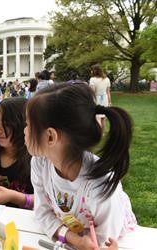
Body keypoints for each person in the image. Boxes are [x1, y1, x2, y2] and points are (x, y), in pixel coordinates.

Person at [24, 83, 136, 249]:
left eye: (28, 125)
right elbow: (42, 213)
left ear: (50, 137)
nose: (24, 131)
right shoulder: (41, 163)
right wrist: (73, 239)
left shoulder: (100, 188)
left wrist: (80, 242)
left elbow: (103, 243)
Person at [89, 64, 112, 128]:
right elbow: (108, 92)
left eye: (92, 70)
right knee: (103, 117)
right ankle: (102, 133)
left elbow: (92, 92)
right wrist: (109, 102)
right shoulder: (107, 79)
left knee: (97, 117)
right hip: (105, 98)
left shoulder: (92, 79)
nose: (91, 71)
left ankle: (99, 133)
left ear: (95, 71)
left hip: (97, 99)